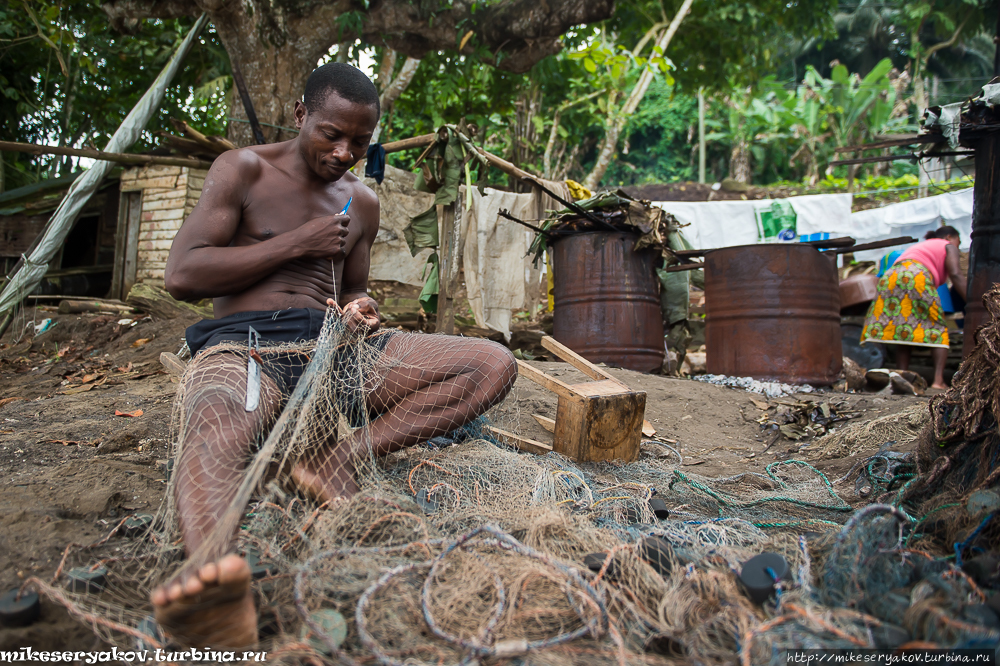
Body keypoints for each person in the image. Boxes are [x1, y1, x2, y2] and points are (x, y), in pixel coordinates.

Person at [153, 62, 517, 649]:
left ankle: (339, 460)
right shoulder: (243, 169)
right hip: (246, 344)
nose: (345, 152)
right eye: (332, 134)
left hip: (337, 351)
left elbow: (351, 290)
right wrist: (299, 241)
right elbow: (182, 275)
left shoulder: (362, 204)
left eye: (360, 141)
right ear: (301, 116)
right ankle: (212, 588)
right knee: (219, 420)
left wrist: (361, 308)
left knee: (492, 364)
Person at [860, 226, 967, 389]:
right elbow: (956, 274)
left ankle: (903, 379)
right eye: (958, 242)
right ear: (949, 236)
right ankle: (938, 381)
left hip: (891, 277)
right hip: (915, 275)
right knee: (937, 327)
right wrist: (975, 302)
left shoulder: (922, 247)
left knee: (904, 329)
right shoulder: (947, 245)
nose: (958, 246)